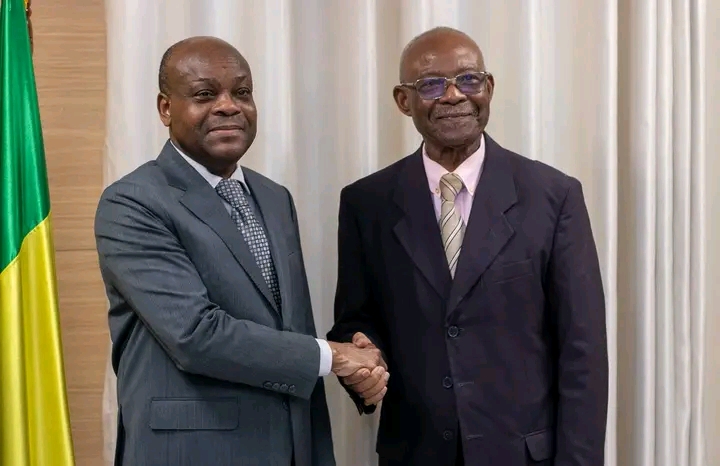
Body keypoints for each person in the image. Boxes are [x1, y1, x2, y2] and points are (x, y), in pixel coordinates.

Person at [95, 36, 385, 466]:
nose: (229, 106)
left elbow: (290, 328)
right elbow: (195, 335)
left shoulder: (274, 197)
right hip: (192, 453)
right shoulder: (132, 202)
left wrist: (356, 368)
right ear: (165, 108)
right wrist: (332, 356)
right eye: (204, 94)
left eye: (243, 92)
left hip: (292, 445)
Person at [328, 27, 609, 466]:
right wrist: (363, 359)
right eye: (431, 85)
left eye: (468, 79)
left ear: (488, 88)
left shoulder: (553, 196)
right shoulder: (367, 203)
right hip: (415, 454)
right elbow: (355, 321)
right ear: (404, 100)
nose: (454, 95)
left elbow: (582, 351)